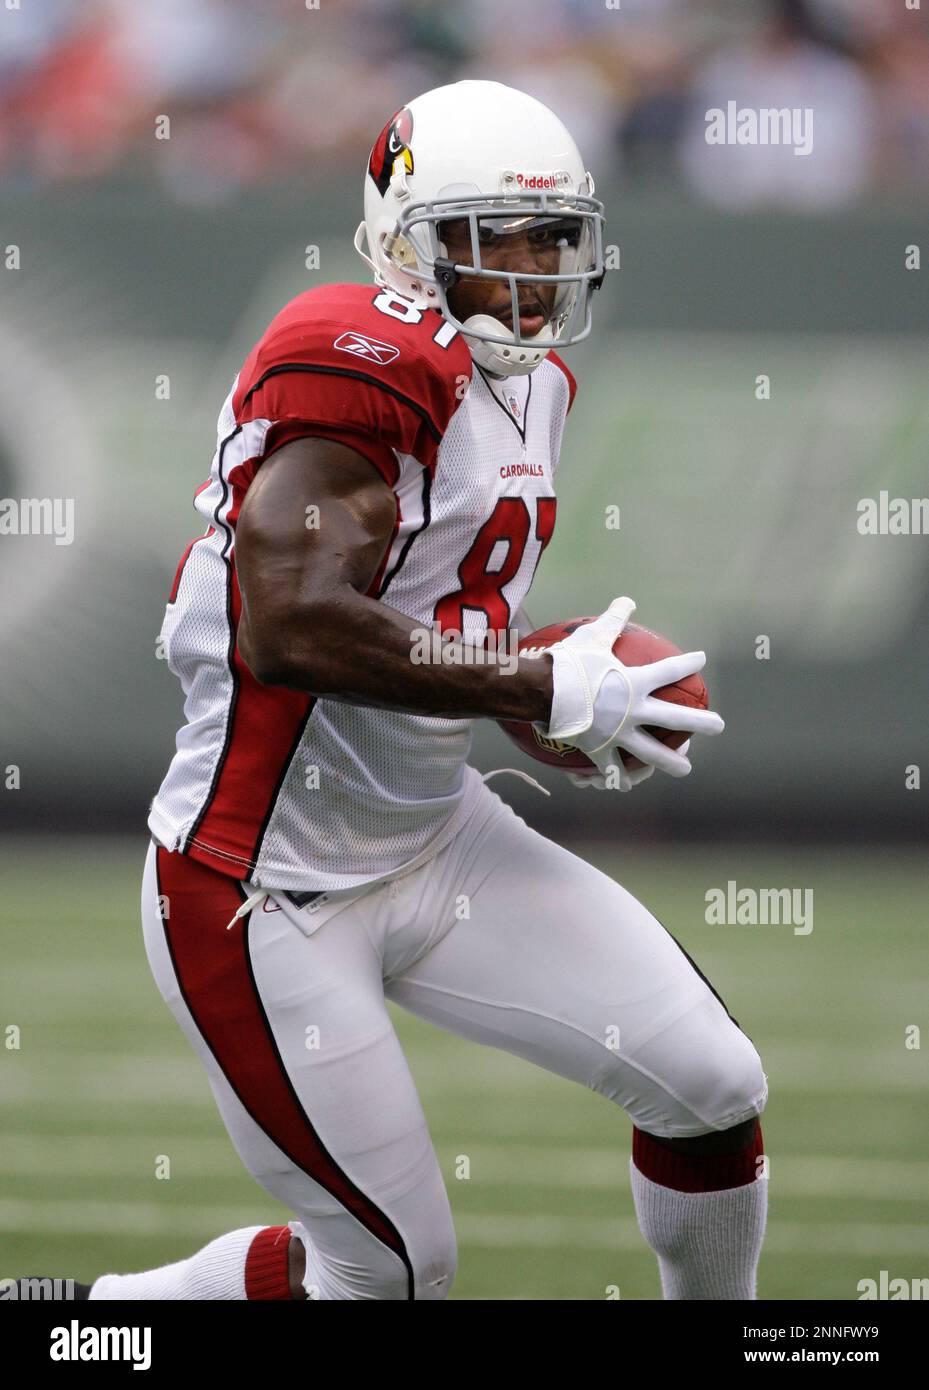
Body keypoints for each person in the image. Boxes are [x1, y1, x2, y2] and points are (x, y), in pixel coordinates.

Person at [21, 79, 767, 1301]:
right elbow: (290, 623)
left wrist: (541, 695)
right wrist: (533, 684)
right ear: (406, 236)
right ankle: (98, 1320)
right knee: (387, 1276)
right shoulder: (355, 347)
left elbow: (427, 605)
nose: (529, 268)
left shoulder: (537, 382)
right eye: (494, 237)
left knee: (712, 1081)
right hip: (264, 885)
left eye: (551, 237)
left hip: (434, 837)